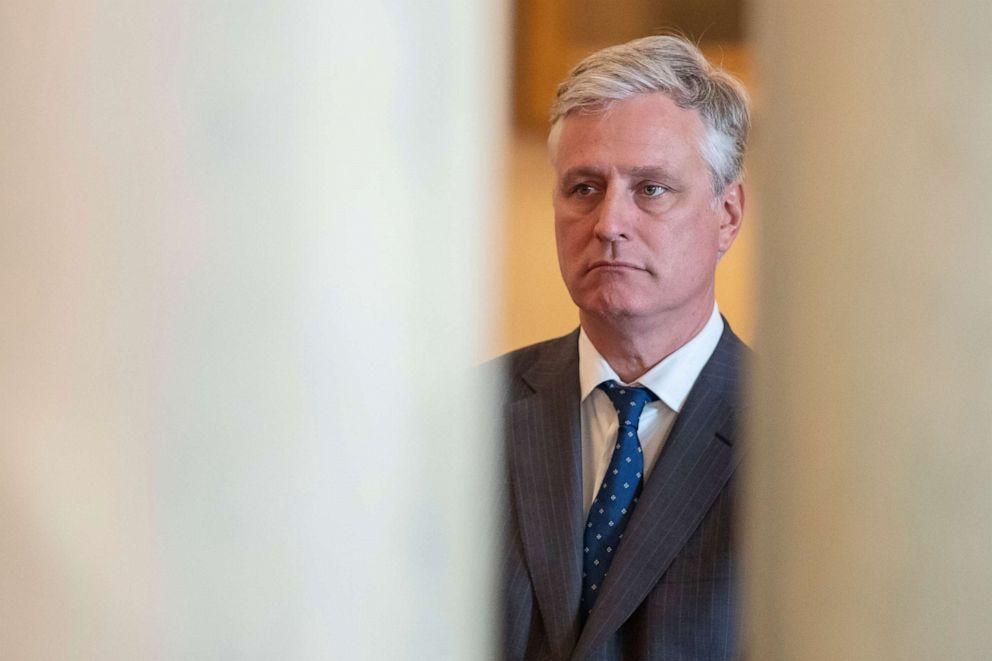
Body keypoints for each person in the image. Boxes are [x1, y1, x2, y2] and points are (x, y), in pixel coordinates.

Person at [498, 35, 750, 660]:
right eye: (584, 187)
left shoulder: (809, 440)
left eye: (652, 188)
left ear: (727, 214)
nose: (609, 223)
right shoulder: (463, 415)